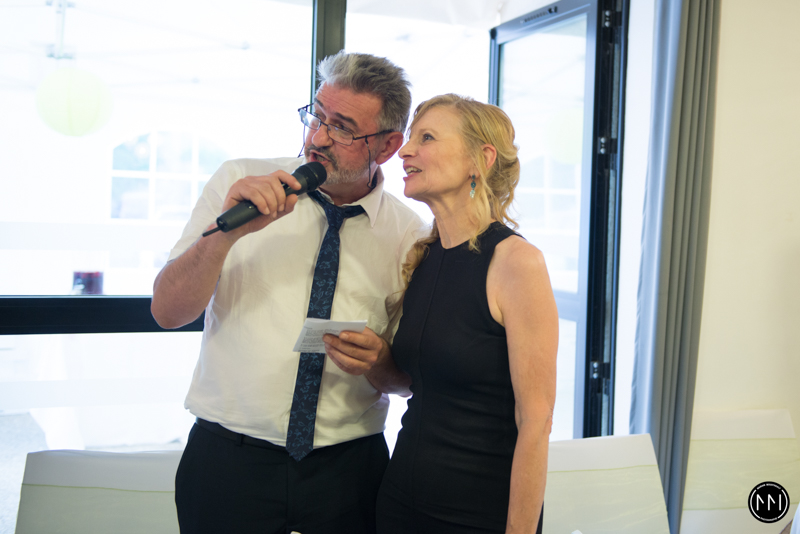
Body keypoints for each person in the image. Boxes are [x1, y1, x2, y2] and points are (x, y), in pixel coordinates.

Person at [151, 52, 424, 534]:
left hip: (349, 471)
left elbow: (406, 381)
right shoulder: (240, 183)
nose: (317, 138)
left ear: (387, 147)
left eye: (342, 128)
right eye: (316, 116)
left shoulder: (409, 236)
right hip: (228, 462)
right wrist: (226, 235)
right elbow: (167, 312)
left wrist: (380, 362)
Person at [375, 94, 559, 534]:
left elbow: (536, 422)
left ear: (481, 159)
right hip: (399, 505)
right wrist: (375, 361)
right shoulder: (424, 257)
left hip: (476, 517)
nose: (405, 151)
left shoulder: (516, 263)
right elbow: (422, 384)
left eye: (427, 138)